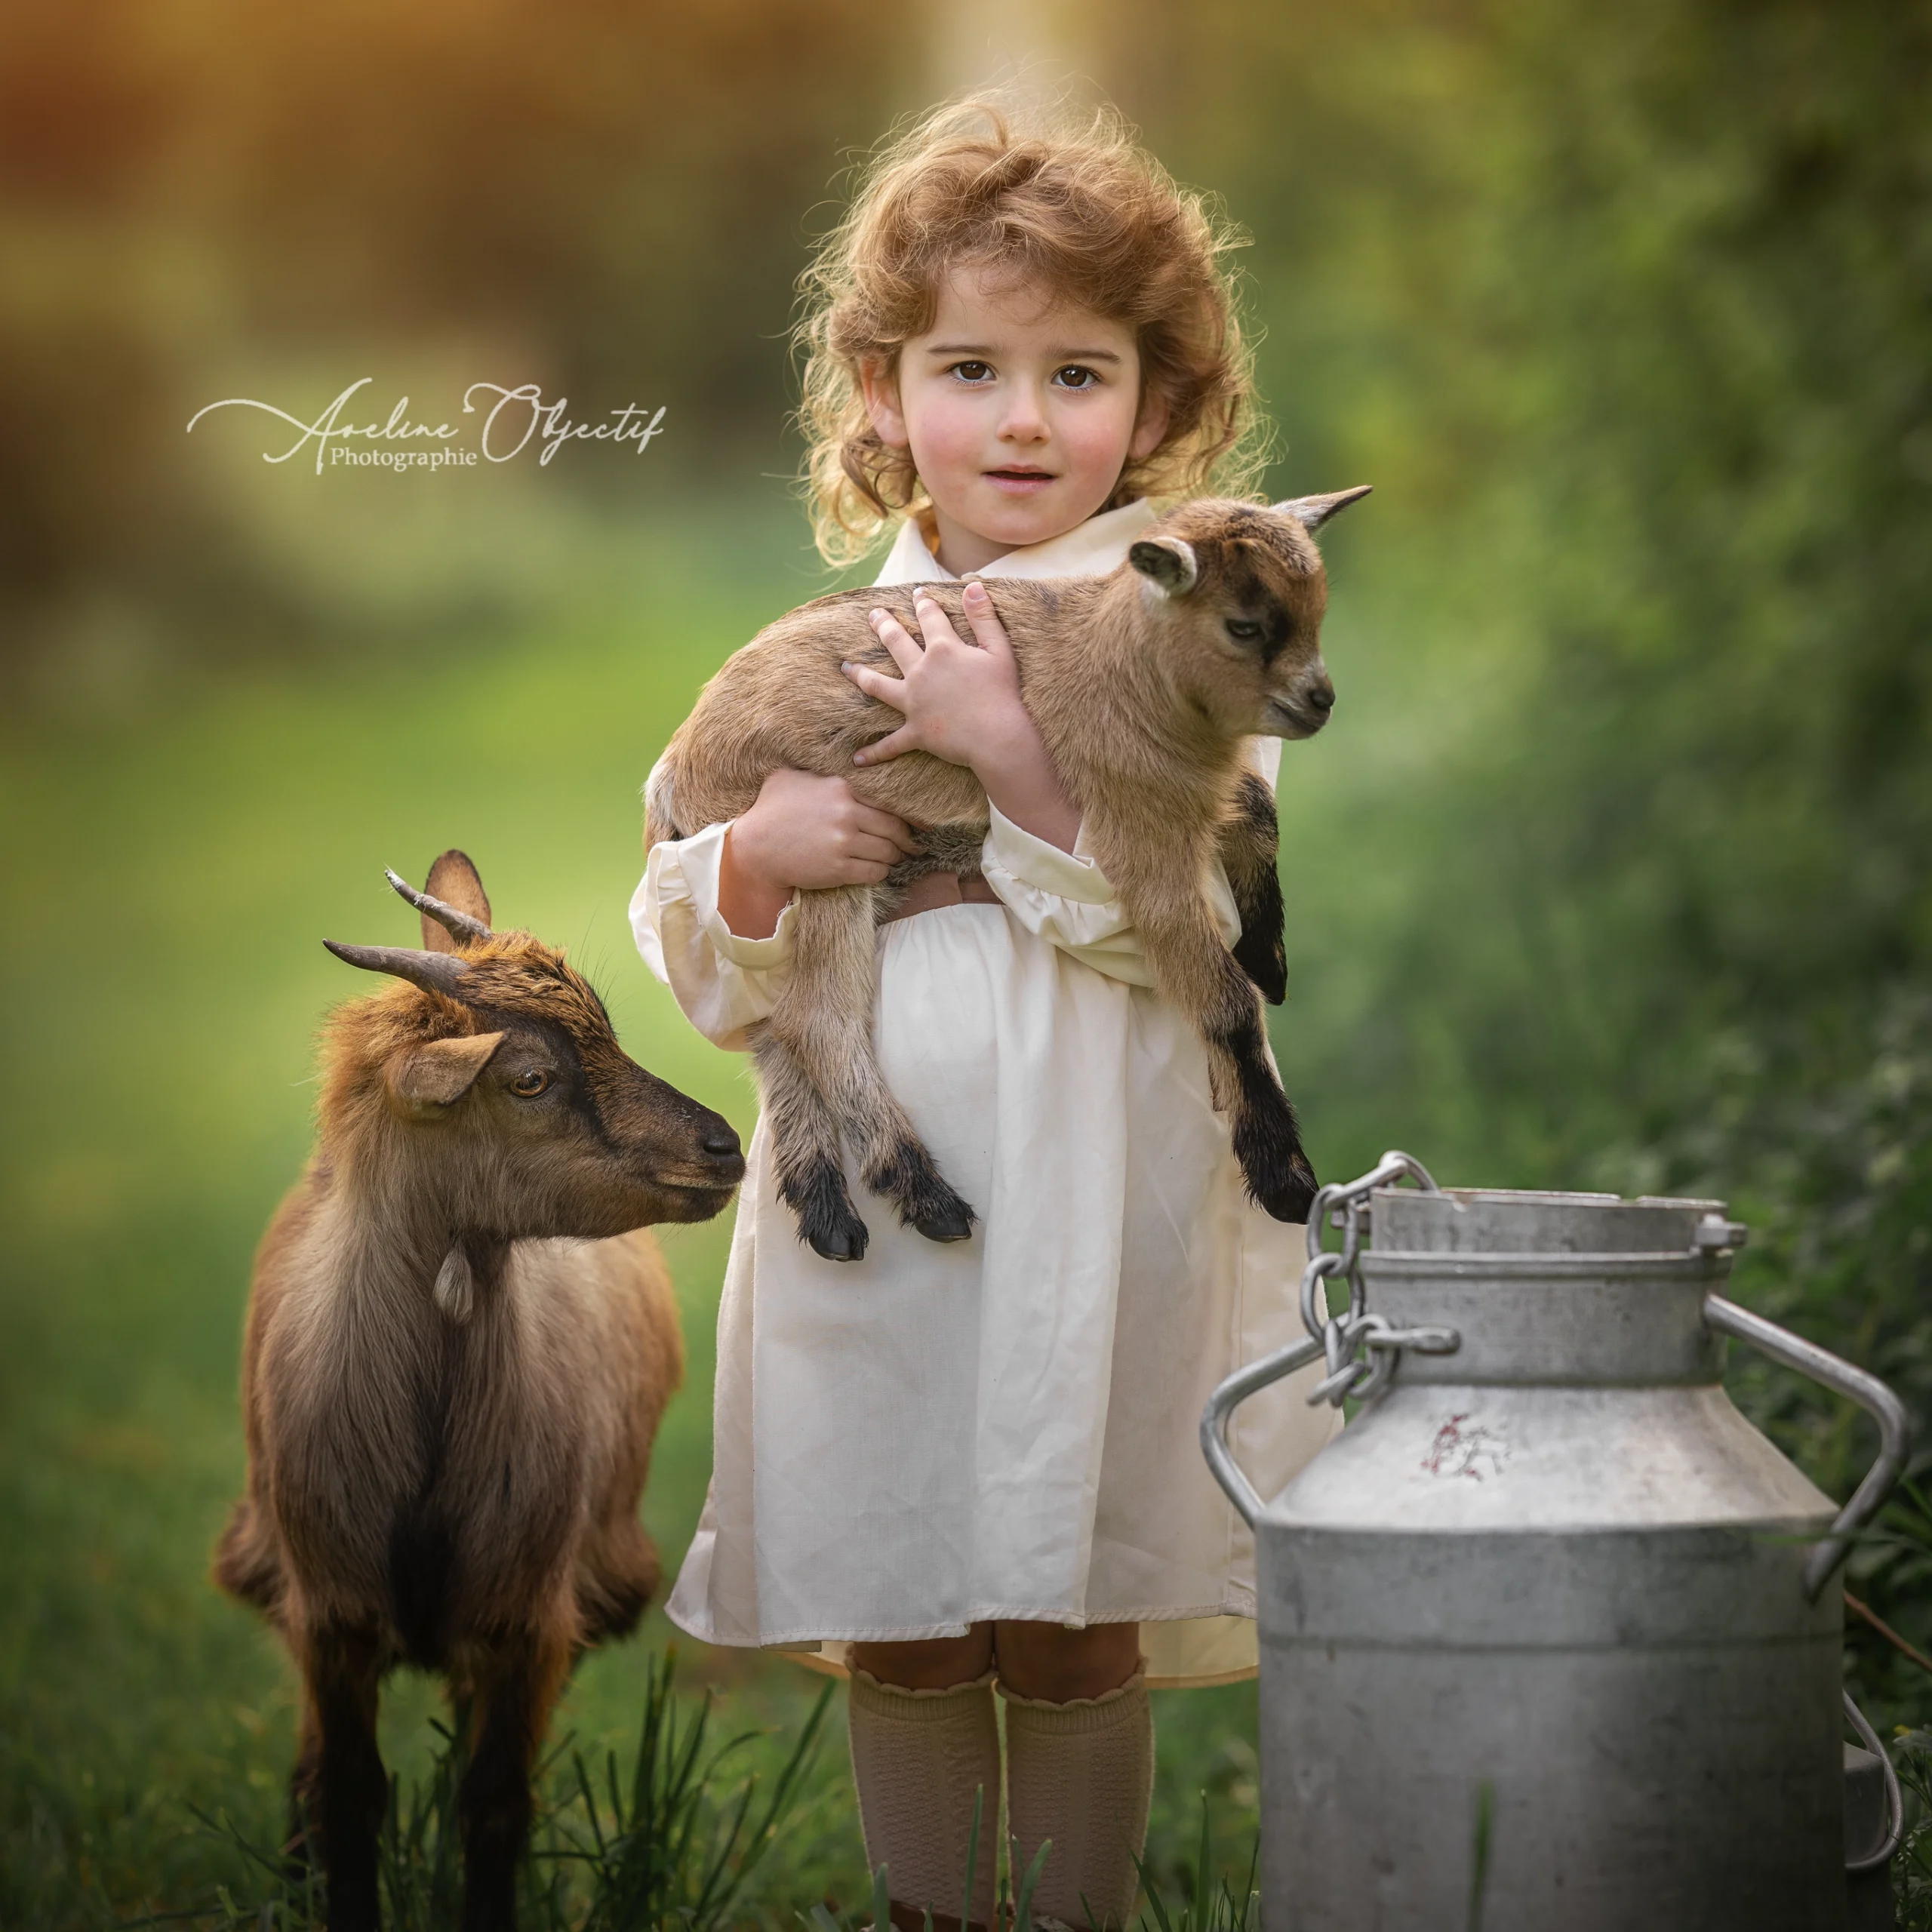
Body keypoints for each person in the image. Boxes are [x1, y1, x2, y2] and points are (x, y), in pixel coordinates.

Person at [630, 91, 1337, 1932]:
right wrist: (762, 860)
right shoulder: (805, 653)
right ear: (879, 395)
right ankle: (932, 1915)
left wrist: (1015, 757)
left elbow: (1170, 933)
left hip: (1100, 1173)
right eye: (968, 367)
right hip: (905, 1167)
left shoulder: (1196, 643)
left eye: (1079, 375)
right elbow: (692, 942)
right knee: (908, 1595)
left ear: (1163, 411)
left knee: (1071, 1579)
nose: (1023, 420)